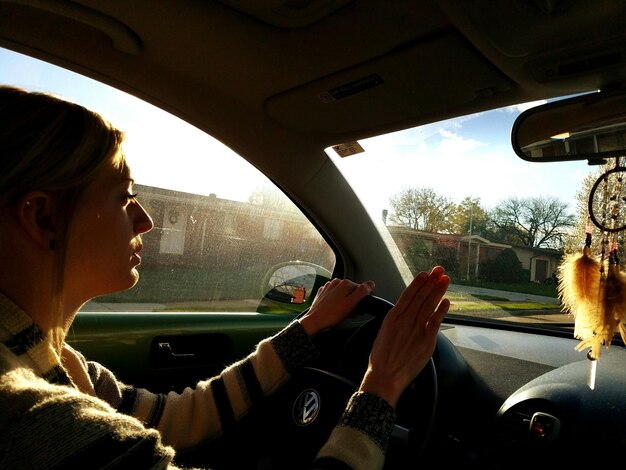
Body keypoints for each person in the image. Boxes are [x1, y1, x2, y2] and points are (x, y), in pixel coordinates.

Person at [0, 85, 451, 469]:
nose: (146, 221)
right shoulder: (31, 416)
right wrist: (381, 386)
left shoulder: (54, 362)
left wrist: (308, 328)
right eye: (123, 198)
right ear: (43, 218)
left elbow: (174, 417)